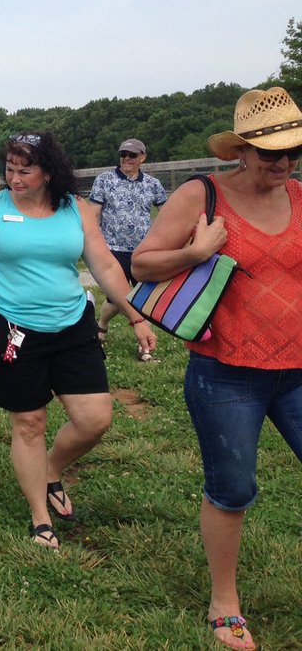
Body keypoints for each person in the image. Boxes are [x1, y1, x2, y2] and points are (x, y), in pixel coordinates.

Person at [132, 87, 302, 651]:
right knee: (232, 488)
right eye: (272, 151)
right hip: (227, 373)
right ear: (242, 149)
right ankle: (224, 602)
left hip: (298, 369)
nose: (283, 162)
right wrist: (195, 252)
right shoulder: (200, 195)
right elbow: (142, 263)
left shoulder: (300, 196)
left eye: (292, 151)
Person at [0, 132, 156, 550]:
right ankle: (40, 516)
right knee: (29, 422)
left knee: (95, 419)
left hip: (72, 324)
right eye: (10, 170)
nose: (15, 179)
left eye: (25, 171)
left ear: (49, 171)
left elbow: (107, 267)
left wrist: (135, 315)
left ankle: (52, 468)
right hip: (11, 327)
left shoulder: (75, 210)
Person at [89, 139, 168, 360]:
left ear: (142, 157)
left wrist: (167, 240)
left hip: (143, 250)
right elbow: (94, 213)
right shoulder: (104, 180)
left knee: (142, 296)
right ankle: (103, 325)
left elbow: (167, 213)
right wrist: (93, 244)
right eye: (123, 154)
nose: (126, 159)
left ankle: (142, 347)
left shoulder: (152, 184)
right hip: (112, 247)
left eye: (132, 155)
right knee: (118, 297)